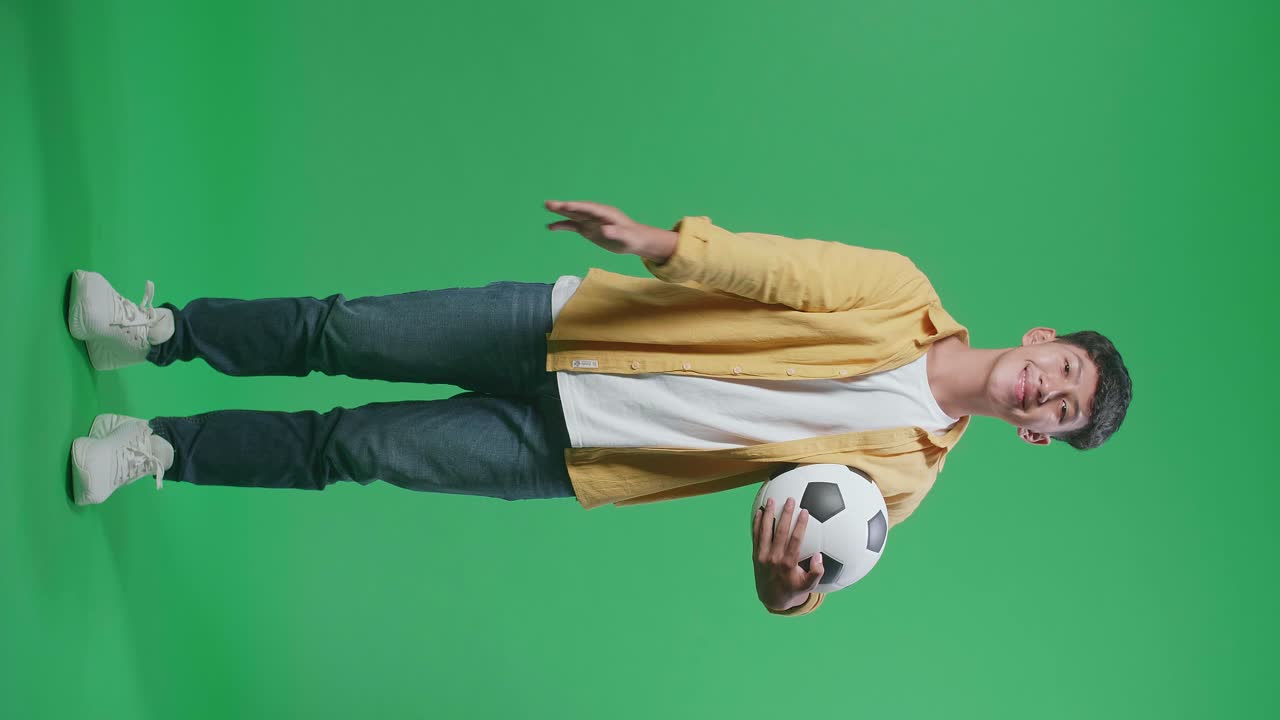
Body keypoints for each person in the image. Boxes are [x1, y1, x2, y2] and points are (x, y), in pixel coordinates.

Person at [65, 199, 1132, 617]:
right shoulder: (900, 290)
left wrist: (780, 591)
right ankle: (158, 335)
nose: (1048, 388)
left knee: (357, 446)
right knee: (344, 330)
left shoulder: (900, 485)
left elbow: (807, 572)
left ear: (1037, 435)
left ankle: (154, 446)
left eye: (1062, 410)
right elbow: (785, 271)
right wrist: (661, 248)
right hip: (566, 328)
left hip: (571, 449)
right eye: (1064, 369)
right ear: (1040, 343)